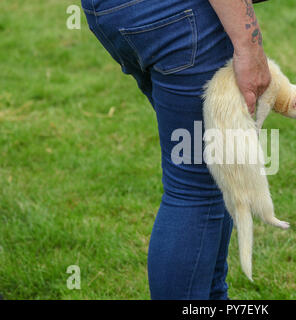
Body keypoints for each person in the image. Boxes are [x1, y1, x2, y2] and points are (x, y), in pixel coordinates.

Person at [81, 0, 270, 299]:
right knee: (197, 186)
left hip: (113, 11)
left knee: (211, 176)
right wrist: (248, 45)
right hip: (176, 14)